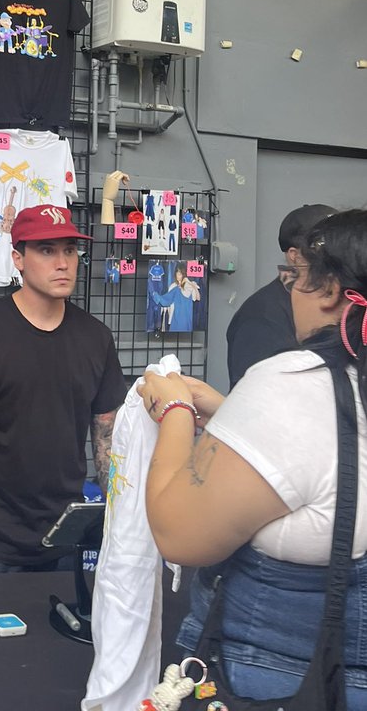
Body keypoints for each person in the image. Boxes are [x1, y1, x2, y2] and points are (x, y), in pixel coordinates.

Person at [139, 208, 367, 706]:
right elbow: (329, 454)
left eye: (299, 279)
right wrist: (230, 417)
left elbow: (178, 533)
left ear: (330, 291)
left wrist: (174, 409)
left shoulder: (294, 383)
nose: (290, 292)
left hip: (288, 676)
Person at [0, 204, 126, 579]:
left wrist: (120, 515)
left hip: (68, 538)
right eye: (47, 251)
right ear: (18, 258)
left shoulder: (97, 338)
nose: (63, 263)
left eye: (69, 250)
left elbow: (108, 438)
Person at [225, 201, 335, 386]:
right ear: (294, 255)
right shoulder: (260, 316)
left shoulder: (343, 300)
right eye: (324, 246)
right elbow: (257, 398)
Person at [151, 262, 200, 333]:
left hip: (181, 319)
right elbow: (165, 300)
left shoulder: (181, 287)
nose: (177, 275)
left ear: (184, 274)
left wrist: (154, 294)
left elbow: (165, 301)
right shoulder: (176, 287)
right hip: (182, 319)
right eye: (177, 273)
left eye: (179, 274)